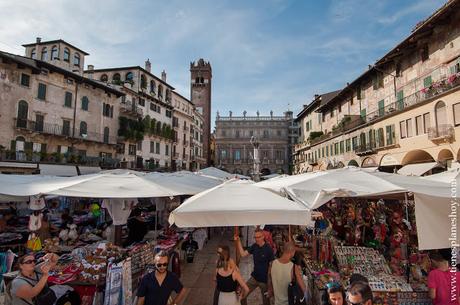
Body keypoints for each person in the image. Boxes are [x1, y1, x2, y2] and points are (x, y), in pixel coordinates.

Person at [235, 228, 274, 305]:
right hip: (254, 278)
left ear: (263, 237)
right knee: (243, 295)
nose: (256, 239)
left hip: (264, 281)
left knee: (266, 302)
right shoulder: (254, 246)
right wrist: (238, 241)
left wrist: (270, 285)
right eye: (255, 237)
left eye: (258, 237)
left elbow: (272, 266)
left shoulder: (268, 249)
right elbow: (243, 254)